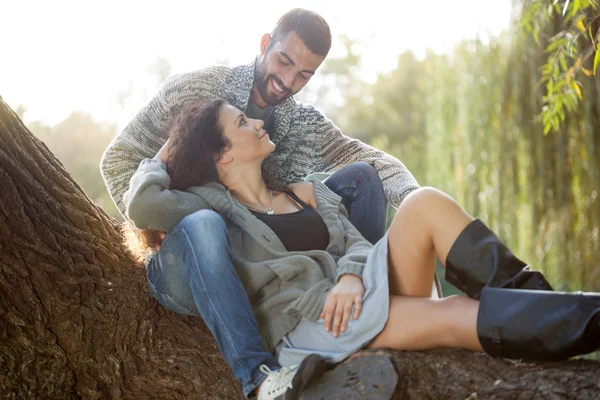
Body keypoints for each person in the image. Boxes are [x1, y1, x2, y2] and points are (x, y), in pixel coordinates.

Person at [123, 98, 599, 399]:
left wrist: (352, 275)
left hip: (352, 289)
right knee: (456, 313)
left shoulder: (304, 191)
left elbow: (353, 241)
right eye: (243, 122)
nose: (257, 122)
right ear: (222, 154)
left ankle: (542, 298)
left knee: (424, 203)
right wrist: (164, 155)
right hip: (314, 322)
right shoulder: (212, 209)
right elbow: (143, 202)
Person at [101, 8, 428, 399]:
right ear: (264, 45)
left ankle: (354, 304)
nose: (288, 81)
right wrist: (157, 225)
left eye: (304, 74)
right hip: (189, 251)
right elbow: (117, 161)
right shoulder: (195, 90)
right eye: (284, 61)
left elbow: (373, 161)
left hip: (260, 253)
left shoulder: (302, 124)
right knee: (204, 224)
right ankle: (259, 378)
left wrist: (416, 208)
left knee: (361, 177)